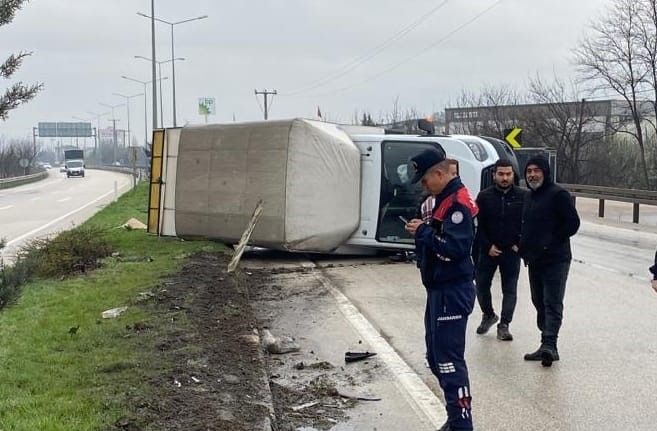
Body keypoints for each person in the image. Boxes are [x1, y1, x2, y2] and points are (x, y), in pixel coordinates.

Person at [405, 148, 478, 431]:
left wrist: (423, 232)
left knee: (448, 361)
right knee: (435, 357)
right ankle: (455, 418)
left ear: (438, 173)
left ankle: (462, 424)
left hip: (452, 289)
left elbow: (455, 248)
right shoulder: (440, 200)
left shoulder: (457, 203)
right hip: (438, 288)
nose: (424, 187)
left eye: (424, 181)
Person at [519, 156, 580, 367]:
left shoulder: (558, 195)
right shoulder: (529, 197)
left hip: (556, 259)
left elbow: (573, 223)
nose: (532, 175)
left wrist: (550, 241)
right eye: (529, 171)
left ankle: (550, 344)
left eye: (537, 171)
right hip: (534, 259)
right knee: (538, 302)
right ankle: (545, 340)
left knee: (552, 302)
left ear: (545, 172)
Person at [474, 159, 526, 341]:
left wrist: (519, 243)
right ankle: (488, 314)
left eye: (508, 174)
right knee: (481, 285)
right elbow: (479, 226)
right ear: (494, 175)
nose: (505, 178)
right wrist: (487, 246)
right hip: (488, 250)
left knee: (510, 289)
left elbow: (527, 223)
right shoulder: (484, 197)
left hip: (511, 251)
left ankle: (504, 325)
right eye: (501, 174)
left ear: (513, 175)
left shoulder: (523, 196)